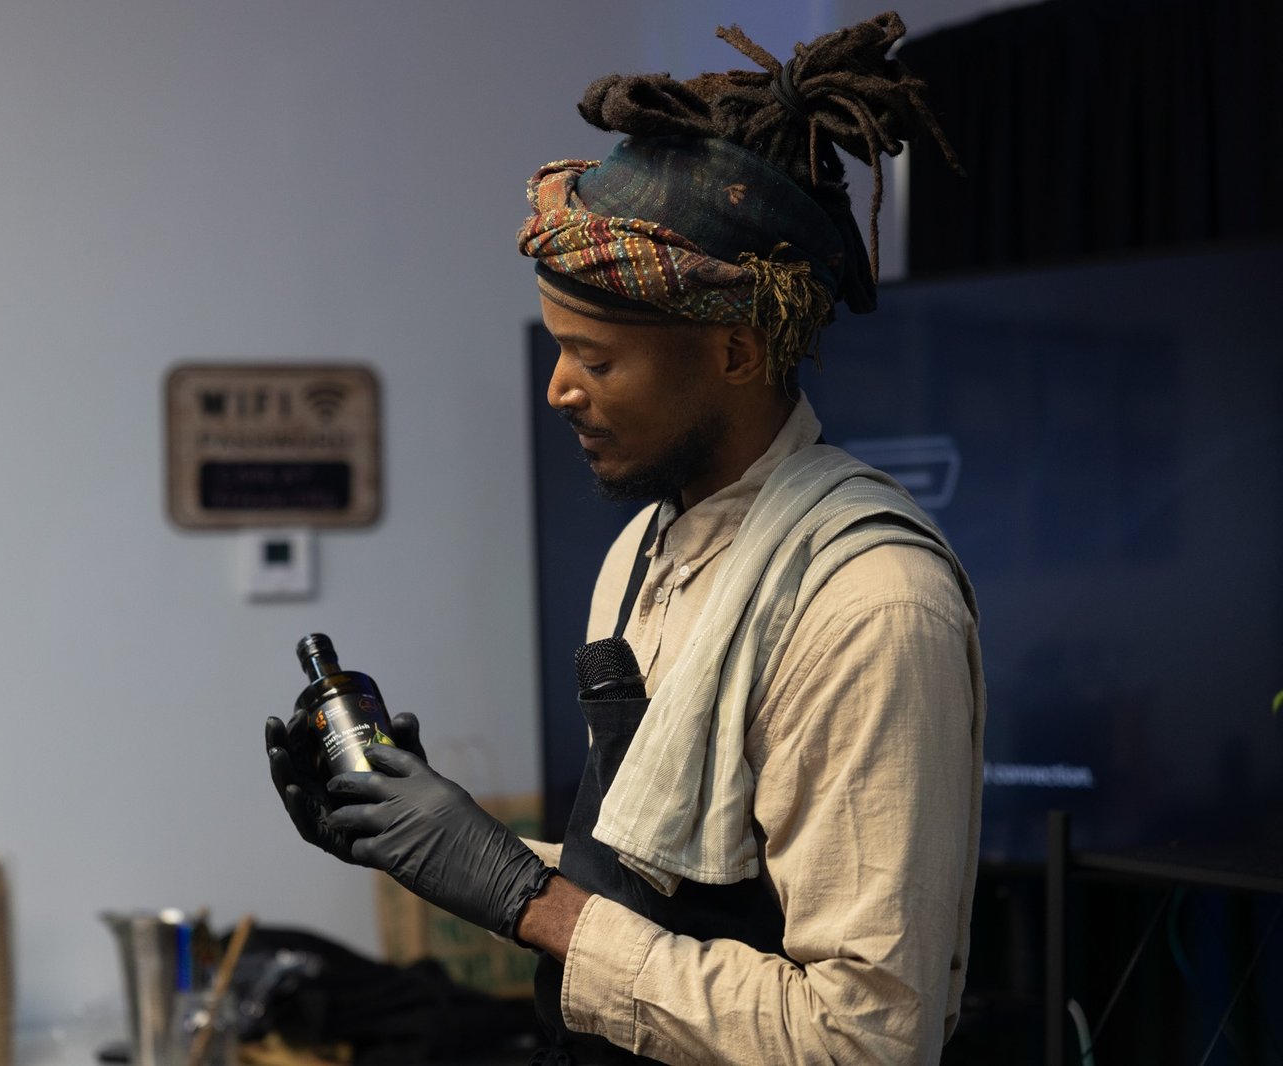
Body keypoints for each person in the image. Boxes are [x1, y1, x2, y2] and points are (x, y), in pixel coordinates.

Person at [266, 12, 985, 1065]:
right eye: (560, 350)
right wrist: (438, 842)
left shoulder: (866, 606)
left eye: (596, 360)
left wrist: (527, 900)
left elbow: (866, 1036)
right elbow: (669, 893)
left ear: (736, 351)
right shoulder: (645, 550)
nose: (558, 389)